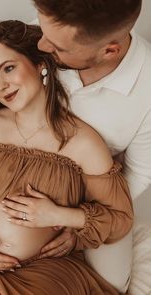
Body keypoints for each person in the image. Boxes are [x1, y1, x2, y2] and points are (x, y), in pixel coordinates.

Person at [0, 20, 133, 294]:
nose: (1, 86)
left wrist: (61, 215)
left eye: (8, 68)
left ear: (40, 64)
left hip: (44, 272)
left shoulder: (82, 142)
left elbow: (118, 218)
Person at [21, 0, 151, 292]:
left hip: (92, 194)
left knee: (109, 283)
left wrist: (78, 222)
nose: (40, 44)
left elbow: (139, 174)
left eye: (58, 47)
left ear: (109, 50)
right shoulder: (56, 27)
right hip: (21, 162)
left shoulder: (148, 92)